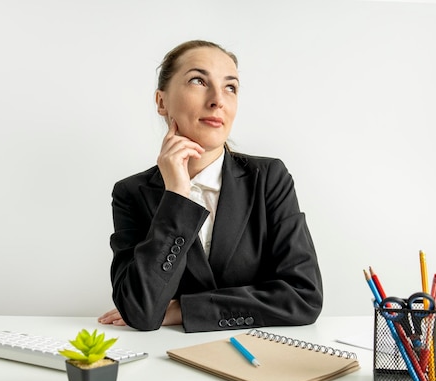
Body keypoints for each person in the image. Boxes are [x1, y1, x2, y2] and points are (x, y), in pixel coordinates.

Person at [98, 40, 323, 332]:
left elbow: (303, 297)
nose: (218, 100)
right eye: (198, 81)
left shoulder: (268, 177)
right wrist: (176, 197)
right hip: (168, 361)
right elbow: (141, 311)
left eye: (230, 87)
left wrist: (186, 308)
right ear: (161, 101)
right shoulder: (131, 193)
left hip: (258, 357)